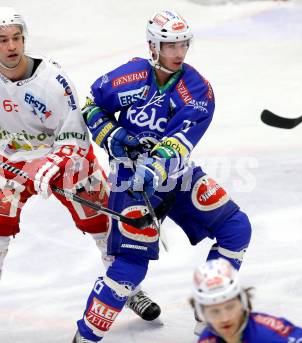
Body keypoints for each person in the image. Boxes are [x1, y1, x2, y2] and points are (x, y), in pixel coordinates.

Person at [0, 7, 160, 343]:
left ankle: (128, 289)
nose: (11, 46)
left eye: (17, 38)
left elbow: (77, 134)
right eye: (3, 40)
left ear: (24, 38)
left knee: (107, 230)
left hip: (64, 162)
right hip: (7, 163)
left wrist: (58, 164)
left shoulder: (52, 82)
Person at [73, 9, 252, 342]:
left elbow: (178, 143)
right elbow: (90, 105)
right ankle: (85, 337)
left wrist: (154, 166)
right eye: (170, 46)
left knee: (236, 229)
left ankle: (207, 314)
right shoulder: (128, 76)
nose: (179, 53)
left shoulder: (198, 89)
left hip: (177, 177)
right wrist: (113, 137)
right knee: (129, 266)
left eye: (183, 44)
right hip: (130, 179)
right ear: (153, 46)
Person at [191, 258, 302, 343]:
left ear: (243, 303)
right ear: (203, 313)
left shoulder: (268, 336)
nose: (225, 318)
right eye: (215, 311)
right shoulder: (207, 338)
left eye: (230, 307)